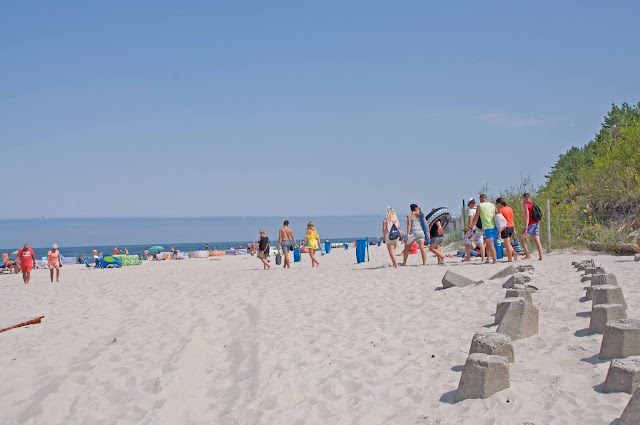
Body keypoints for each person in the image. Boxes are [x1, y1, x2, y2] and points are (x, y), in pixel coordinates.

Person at [469, 194, 497, 264]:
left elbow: (475, 218)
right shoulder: (492, 205)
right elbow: (497, 214)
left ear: (480, 199)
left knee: (490, 245)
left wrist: (470, 227)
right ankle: (488, 259)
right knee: (487, 244)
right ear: (486, 199)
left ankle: (494, 260)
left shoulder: (480, 206)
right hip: (494, 227)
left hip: (488, 227)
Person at [521, 193, 544, 261]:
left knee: (521, 238)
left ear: (525, 198)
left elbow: (526, 217)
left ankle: (527, 254)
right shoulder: (533, 204)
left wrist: (525, 228)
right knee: (537, 240)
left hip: (530, 224)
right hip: (536, 223)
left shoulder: (526, 205)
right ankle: (540, 256)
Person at [496, 198, 518, 262]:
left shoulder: (501, 210)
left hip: (505, 227)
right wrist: (514, 229)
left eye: (497, 204)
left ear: (499, 203)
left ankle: (510, 259)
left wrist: (499, 232)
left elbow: (500, 222)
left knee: (507, 245)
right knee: (507, 243)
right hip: (511, 226)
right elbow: (512, 219)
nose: (497, 205)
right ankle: (513, 252)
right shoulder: (510, 208)